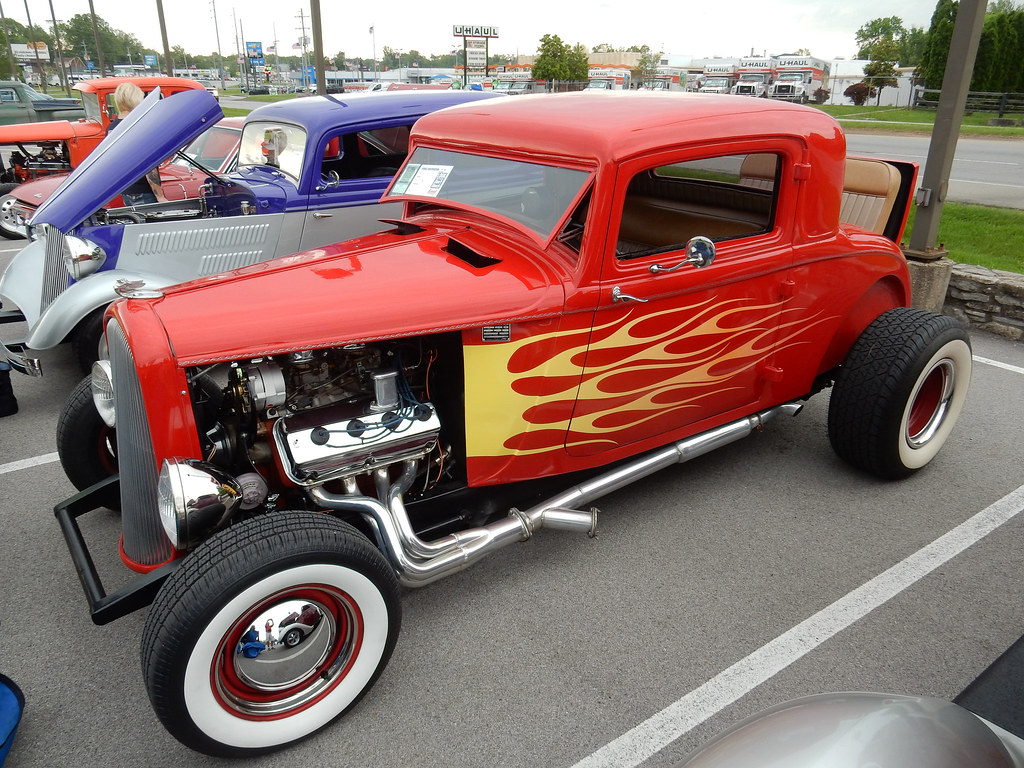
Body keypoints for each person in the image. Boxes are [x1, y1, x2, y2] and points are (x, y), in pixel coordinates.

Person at [107, 82, 166, 206]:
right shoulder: (139, 126)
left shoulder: (111, 128)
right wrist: (160, 196)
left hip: (126, 189)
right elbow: (148, 164)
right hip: (144, 190)